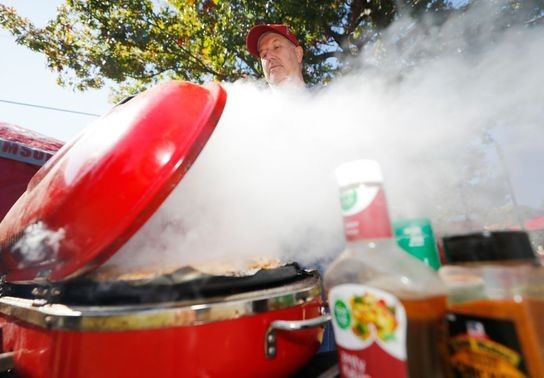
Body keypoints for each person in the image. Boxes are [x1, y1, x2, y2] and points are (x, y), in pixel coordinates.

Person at [246, 24, 306, 90]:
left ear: (298, 54)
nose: (268, 56)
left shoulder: (319, 97)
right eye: (263, 55)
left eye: (276, 47)